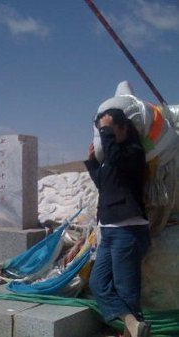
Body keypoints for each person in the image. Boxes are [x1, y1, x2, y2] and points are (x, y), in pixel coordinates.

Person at [85, 108, 151, 337]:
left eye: (108, 130)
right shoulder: (110, 158)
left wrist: (106, 134)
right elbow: (104, 185)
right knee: (97, 284)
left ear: (123, 128)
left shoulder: (132, 152)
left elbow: (117, 159)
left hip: (128, 230)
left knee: (126, 290)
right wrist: (93, 163)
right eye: (100, 131)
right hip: (109, 230)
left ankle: (131, 330)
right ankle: (133, 325)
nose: (103, 135)